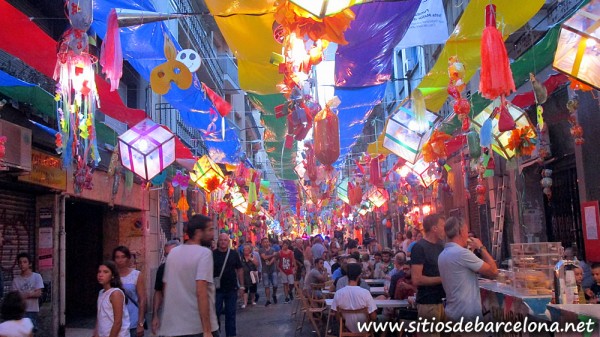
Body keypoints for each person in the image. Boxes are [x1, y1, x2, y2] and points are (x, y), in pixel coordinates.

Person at [157, 214, 218, 337]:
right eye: (210, 230)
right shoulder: (204, 253)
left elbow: (166, 287)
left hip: (172, 327)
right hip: (196, 327)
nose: (213, 234)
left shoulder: (173, 253)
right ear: (198, 232)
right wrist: (207, 330)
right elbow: (201, 290)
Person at [438, 217, 498, 321]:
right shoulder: (461, 253)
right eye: (466, 231)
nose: (467, 235)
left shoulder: (443, 254)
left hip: (452, 312)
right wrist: (481, 247)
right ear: (460, 232)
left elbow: (464, 270)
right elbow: (493, 272)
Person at [410, 214, 446, 337]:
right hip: (428, 303)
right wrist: (443, 279)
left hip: (443, 302)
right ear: (434, 228)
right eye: (442, 226)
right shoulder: (419, 248)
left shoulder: (441, 246)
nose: (444, 229)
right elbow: (417, 279)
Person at [331, 263, 377, 334]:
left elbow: (337, 316)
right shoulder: (365, 293)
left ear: (347, 275)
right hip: (364, 328)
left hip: (347, 327)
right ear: (359, 276)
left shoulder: (338, 293)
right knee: (384, 319)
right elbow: (373, 316)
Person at [213, 233, 244, 337]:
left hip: (231, 288)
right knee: (215, 313)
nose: (223, 242)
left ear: (228, 242)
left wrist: (242, 286)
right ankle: (216, 333)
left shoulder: (233, 254)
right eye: (221, 240)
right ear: (218, 241)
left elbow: (239, 269)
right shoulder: (213, 254)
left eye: (225, 240)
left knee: (230, 314)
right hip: (217, 289)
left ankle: (231, 334)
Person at [112, 246, 146, 337]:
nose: (120, 260)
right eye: (117, 257)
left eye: (123, 257)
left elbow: (142, 299)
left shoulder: (136, 275)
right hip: (113, 320)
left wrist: (140, 323)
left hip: (132, 320)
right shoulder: (111, 275)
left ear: (128, 258)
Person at [94, 261, 130, 337]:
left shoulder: (115, 293)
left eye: (105, 272)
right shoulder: (101, 292)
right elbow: (100, 316)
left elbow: (118, 322)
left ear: (112, 275)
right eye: (99, 272)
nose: (100, 275)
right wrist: (96, 333)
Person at [151, 240, 180, 335]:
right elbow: (158, 292)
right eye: (167, 255)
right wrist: (155, 315)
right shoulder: (162, 269)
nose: (169, 257)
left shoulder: (189, 267)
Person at [12, 253, 44, 333]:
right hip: (20, 311)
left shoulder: (37, 277)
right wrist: (31, 293)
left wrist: (24, 295)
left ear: (30, 264)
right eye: (20, 262)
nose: (22, 264)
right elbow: (15, 297)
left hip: (32, 310)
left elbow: (38, 293)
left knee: (31, 332)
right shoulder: (16, 280)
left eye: (25, 262)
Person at [259, 237, 279, 306]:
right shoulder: (261, 250)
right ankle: (268, 299)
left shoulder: (272, 249)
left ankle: (274, 294)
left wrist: (270, 262)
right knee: (266, 285)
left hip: (273, 269)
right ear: (262, 243)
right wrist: (273, 255)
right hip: (265, 270)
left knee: (275, 284)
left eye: (267, 242)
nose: (266, 243)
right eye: (265, 242)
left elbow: (274, 258)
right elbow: (264, 257)